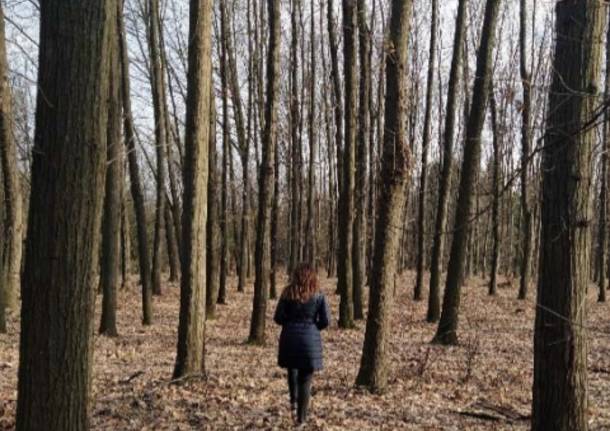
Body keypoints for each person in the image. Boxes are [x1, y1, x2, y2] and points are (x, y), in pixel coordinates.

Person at [274, 263, 331, 425]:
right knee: (305, 379)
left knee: (292, 369)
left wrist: (289, 323)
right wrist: (313, 328)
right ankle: (301, 419)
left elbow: (278, 317)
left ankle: (293, 401)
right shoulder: (318, 295)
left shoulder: (287, 293)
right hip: (309, 342)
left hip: (289, 339)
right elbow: (326, 321)